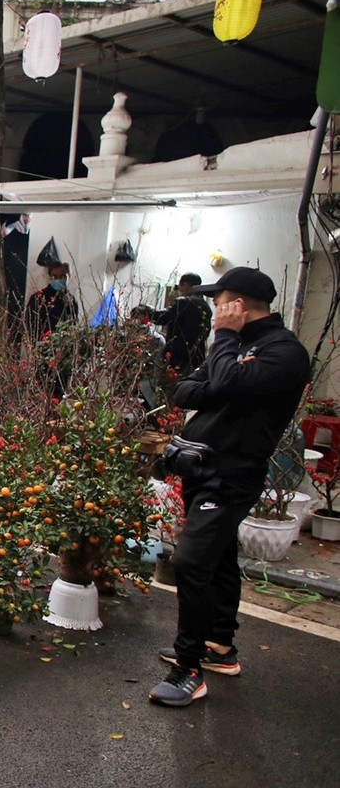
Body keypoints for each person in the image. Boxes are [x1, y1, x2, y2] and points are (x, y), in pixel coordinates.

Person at [148, 266, 310, 707]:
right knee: (217, 559)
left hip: (234, 472)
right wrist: (223, 378)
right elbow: (184, 390)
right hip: (202, 467)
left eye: (218, 301)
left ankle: (188, 669)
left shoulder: (283, 352)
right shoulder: (239, 347)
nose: (214, 310)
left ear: (236, 304)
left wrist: (223, 351)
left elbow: (220, 382)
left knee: (190, 562)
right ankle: (219, 646)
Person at [25, 262, 79, 397]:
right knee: (42, 393)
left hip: (63, 358)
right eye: (55, 276)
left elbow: (73, 327)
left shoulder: (71, 301)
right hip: (43, 355)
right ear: (49, 277)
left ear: (69, 277)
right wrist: (40, 347)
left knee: (60, 394)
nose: (59, 280)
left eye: (62, 276)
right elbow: (29, 325)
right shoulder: (39, 298)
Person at [143, 273, 213, 375]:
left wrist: (147, 311)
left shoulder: (183, 302)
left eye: (180, 286)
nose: (179, 290)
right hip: (197, 355)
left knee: (166, 383)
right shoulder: (206, 307)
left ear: (186, 285)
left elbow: (162, 319)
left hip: (177, 354)